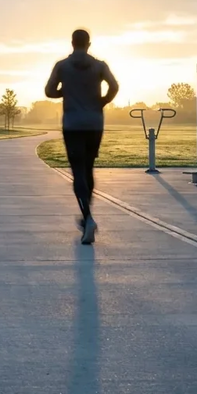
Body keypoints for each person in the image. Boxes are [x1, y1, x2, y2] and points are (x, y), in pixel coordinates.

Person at [45, 28, 119, 244]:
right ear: (89, 44)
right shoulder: (99, 65)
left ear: (72, 43)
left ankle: (87, 218)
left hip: (72, 125)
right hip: (95, 123)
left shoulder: (62, 66)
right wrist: (102, 101)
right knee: (88, 169)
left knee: (78, 172)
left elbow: (49, 91)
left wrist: (65, 91)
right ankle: (87, 215)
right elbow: (114, 86)